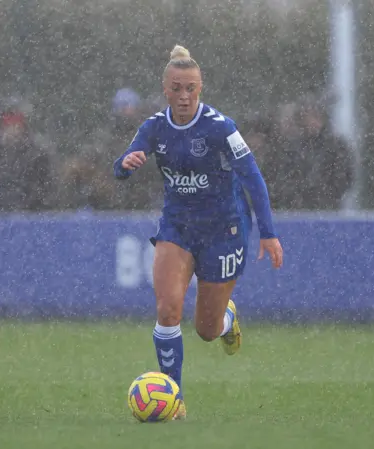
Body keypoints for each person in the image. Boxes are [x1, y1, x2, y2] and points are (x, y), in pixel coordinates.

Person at [113, 45, 283, 420]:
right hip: (177, 227)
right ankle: (175, 400)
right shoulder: (155, 127)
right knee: (167, 309)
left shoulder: (221, 128)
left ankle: (226, 321)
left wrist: (268, 233)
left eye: (191, 88)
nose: (185, 95)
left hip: (224, 229)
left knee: (206, 329)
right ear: (166, 90)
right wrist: (126, 164)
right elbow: (121, 167)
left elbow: (252, 178)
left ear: (200, 88)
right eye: (177, 88)